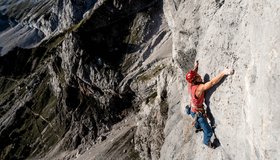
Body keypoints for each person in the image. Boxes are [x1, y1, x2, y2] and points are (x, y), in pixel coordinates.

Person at [186, 60, 234, 148]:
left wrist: (196, 67)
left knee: (196, 120)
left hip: (193, 110)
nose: (200, 76)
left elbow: (193, 74)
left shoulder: (190, 83)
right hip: (198, 114)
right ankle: (206, 142)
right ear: (195, 80)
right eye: (197, 76)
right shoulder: (199, 89)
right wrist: (224, 73)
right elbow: (211, 83)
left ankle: (197, 127)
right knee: (208, 132)